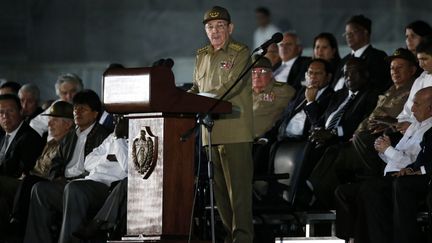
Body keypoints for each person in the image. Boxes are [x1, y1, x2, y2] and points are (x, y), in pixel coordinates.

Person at [307, 48, 418, 208]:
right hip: (361, 138)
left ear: (412, 69)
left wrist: (385, 125)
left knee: (338, 152)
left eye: (400, 67)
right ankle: (319, 195)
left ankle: (321, 199)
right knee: (331, 153)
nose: (394, 71)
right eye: (392, 68)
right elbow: (370, 118)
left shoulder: (413, 90)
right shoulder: (390, 90)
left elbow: (410, 120)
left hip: (384, 140)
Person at [188, 6, 254, 242]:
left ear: (230, 28)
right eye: (210, 27)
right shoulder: (201, 55)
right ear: (205, 31)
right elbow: (197, 88)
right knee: (221, 197)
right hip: (210, 133)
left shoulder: (241, 52)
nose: (215, 31)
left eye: (220, 26)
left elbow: (231, 86)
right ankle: (230, 237)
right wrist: (184, 98)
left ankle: (244, 239)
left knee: (239, 195)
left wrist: (199, 100)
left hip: (235, 130)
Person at [334, 86, 432, 243]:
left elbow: (414, 164)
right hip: (391, 175)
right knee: (344, 191)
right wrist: (384, 149)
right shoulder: (413, 126)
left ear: (430, 108)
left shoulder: (429, 129)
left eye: (417, 104)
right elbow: (395, 158)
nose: (412, 108)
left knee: (370, 190)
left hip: (405, 178)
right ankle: (351, 237)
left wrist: (388, 151)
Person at [24, 89, 110, 243]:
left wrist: (78, 179)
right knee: (39, 189)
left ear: (95, 113)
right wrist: (56, 177)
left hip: (90, 184)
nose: (77, 112)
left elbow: (102, 167)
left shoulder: (104, 135)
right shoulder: (70, 135)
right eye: (76, 108)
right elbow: (56, 162)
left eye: (83, 109)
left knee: (73, 188)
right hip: (67, 183)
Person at [296, 57, 379, 208]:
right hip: (327, 139)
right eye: (346, 74)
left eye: (353, 73)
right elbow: (319, 122)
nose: (348, 77)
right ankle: (305, 191)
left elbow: (361, 123)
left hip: (347, 142)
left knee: (320, 150)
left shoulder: (371, 95)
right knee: (309, 144)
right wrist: (312, 106)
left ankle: (309, 194)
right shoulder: (339, 94)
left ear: (365, 74)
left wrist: (333, 133)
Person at [253, 59, 334, 174]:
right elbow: (283, 117)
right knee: (256, 147)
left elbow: (318, 124)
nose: (313, 76)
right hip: (283, 138)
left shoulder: (332, 97)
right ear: (306, 76)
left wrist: (311, 102)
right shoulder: (302, 92)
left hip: (303, 142)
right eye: (310, 73)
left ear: (328, 77)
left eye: (318, 73)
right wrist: (266, 137)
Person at [56, 115, 128, 243]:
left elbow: (127, 165)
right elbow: (88, 162)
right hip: (89, 179)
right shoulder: (111, 136)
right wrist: (108, 156)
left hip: (107, 186)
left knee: (74, 189)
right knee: (40, 190)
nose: (116, 122)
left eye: (120, 118)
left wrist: (119, 139)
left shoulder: (133, 136)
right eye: (116, 118)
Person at [7, 101, 74, 235]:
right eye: (49, 120)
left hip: (45, 184)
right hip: (29, 180)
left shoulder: (68, 144)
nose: (49, 124)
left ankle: (16, 222)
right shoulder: (51, 143)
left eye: (54, 120)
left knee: (27, 182)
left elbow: (55, 172)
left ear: (68, 124)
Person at [0, 94, 44, 235]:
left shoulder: (29, 137)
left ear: (21, 112)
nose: (5, 116)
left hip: (23, 187)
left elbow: (19, 170)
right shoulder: (3, 137)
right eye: (1, 112)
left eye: (10, 111)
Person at [332, 15, 390, 92]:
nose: (349, 36)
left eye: (353, 32)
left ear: (365, 32)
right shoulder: (343, 61)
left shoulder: (378, 57)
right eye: (347, 33)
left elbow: (376, 85)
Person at [252, 55, 295, 138]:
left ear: (271, 74)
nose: (257, 75)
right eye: (253, 71)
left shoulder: (283, 90)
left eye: (262, 71)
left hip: (264, 140)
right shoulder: (243, 92)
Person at [396, 35, 432, 133]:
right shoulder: (420, 79)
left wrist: (413, 126)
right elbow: (407, 110)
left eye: (424, 59)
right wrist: (401, 124)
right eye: (419, 60)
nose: (421, 64)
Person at [30, 73, 83, 137]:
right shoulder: (56, 106)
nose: (69, 96)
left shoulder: (86, 106)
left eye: (72, 91)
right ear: (59, 94)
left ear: (79, 91)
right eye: (64, 93)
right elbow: (35, 124)